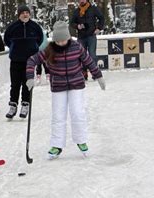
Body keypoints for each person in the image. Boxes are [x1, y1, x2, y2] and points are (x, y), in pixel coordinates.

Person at [26, 21, 105, 159]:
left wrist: (98, 76)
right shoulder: (49, 49)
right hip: (58, 86)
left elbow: (88, 61)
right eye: (58, 40)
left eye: (64, 40)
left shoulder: (76, 47)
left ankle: (81, 141)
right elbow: (32, 60)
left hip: (76, 84)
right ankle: (57, 145)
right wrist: (29, 77)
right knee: (58, 116)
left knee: (77, 113)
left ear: (68, 37)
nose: (61, 43)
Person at [3, 4, 43, 119]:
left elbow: (39, 40)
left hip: (30, 61)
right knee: (15, 84)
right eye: (23, 13)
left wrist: (33, 48)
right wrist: (14, 48)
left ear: (29, 14)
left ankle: (25, 104)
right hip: (16, 60)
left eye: (27, 13)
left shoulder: (35, 26)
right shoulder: (12, 27)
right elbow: (7, 39)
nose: (25, 14)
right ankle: (13, 105)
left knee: (27, 84)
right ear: (19, 15)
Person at [70, 0, 104, 80]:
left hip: (91, 36)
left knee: (92, 55)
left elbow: (101, 18)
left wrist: (99, 28)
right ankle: (84, 74)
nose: (81, 1)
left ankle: (95, 74)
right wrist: (77, 26)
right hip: (81, 37)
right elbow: (71, 23)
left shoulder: (93, 9)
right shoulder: (76, 11)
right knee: (82, 56)